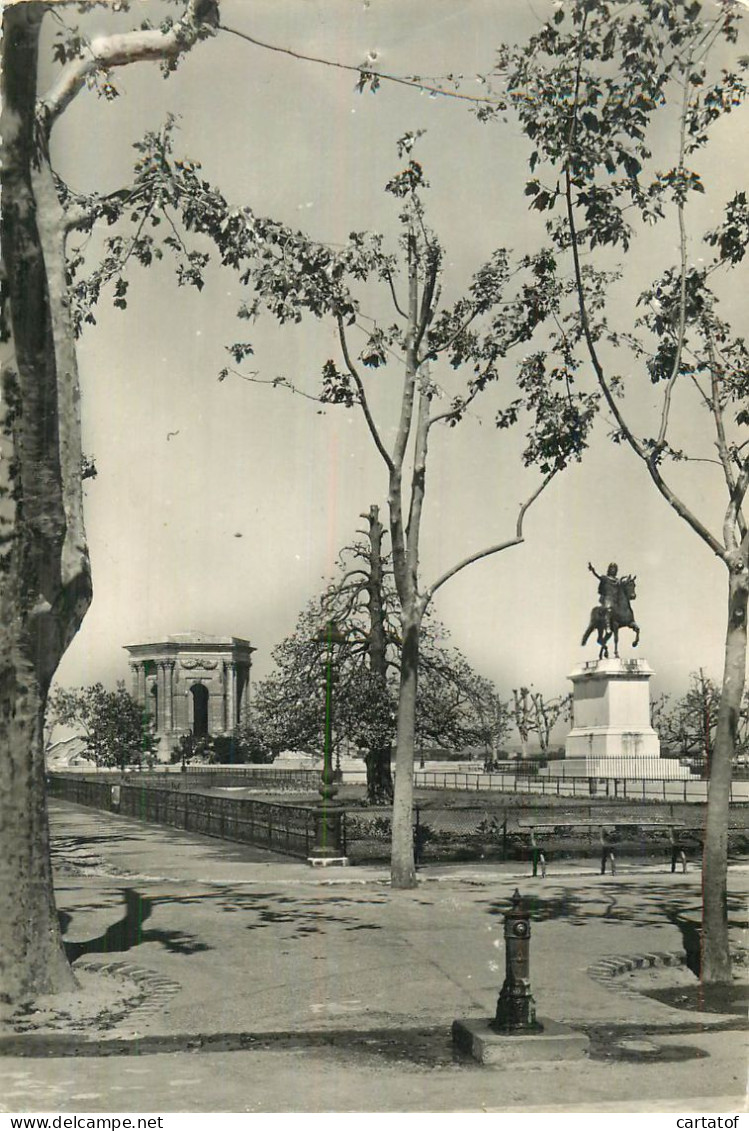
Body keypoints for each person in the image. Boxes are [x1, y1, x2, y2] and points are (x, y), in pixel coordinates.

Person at [588, 561, 622, 638]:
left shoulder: (617, 581)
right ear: (609, 569)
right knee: (609, 609)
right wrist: (593, 570)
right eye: (611, 568)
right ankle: (608, 627)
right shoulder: (605, 578)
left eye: (614, 569)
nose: (613, 570)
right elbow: (598, 576)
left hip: (616, 600)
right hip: (607, 598)